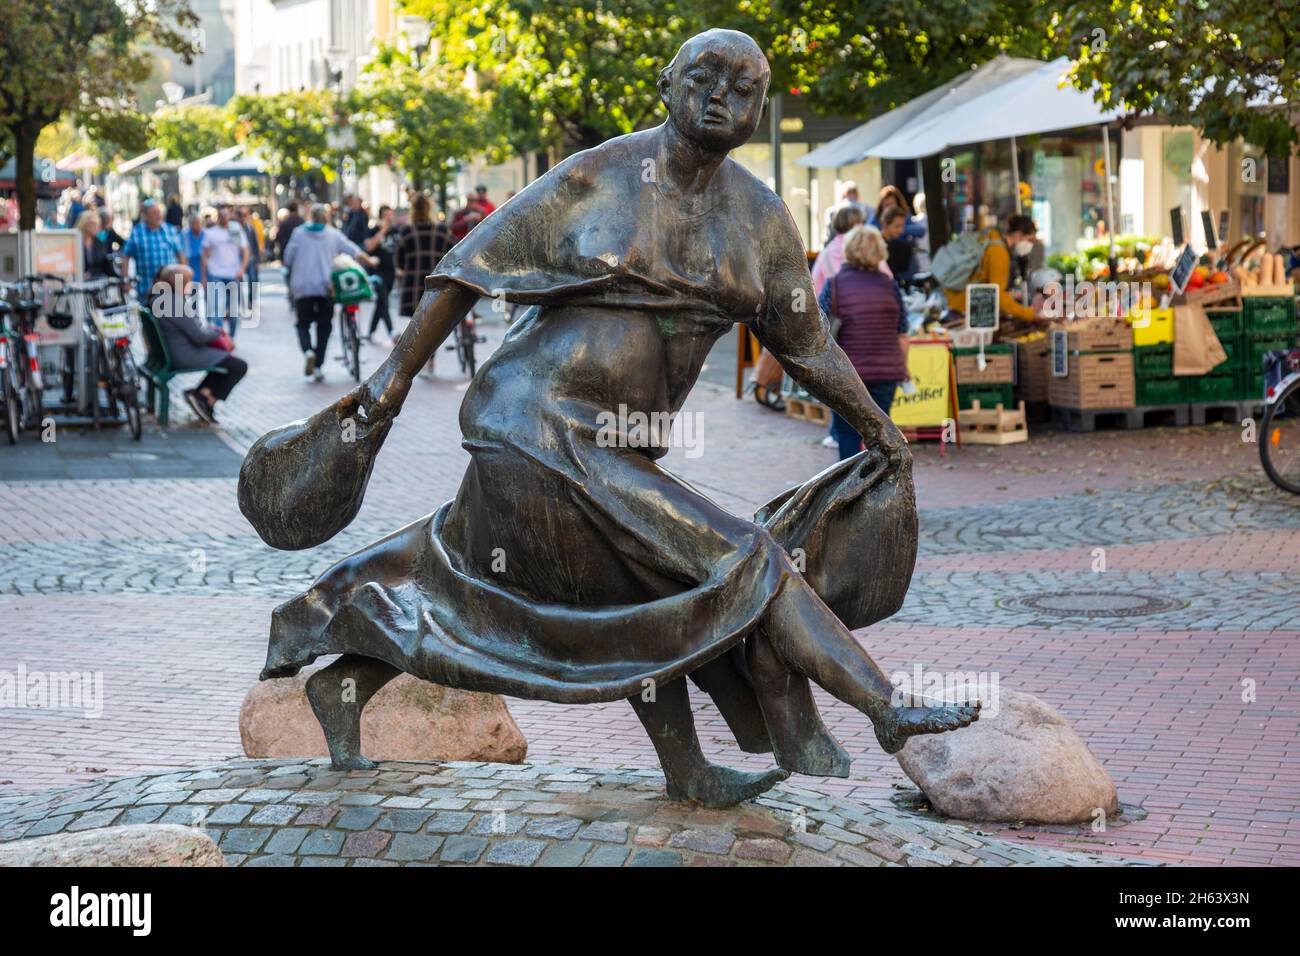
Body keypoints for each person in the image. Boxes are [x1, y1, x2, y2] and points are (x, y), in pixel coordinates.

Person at [243, 29, 977, 805]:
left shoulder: (761, 220)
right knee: (746, 558)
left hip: (618, 448)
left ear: (761, 107)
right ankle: (884, 707)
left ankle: (351, 685)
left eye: (745, 85)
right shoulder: (598, 175)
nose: (722, 94)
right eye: (705, 76)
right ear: (667, 85)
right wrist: (387, 389)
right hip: (534, 425)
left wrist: (879, 426)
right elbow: (466, 269)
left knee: (588, 597)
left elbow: (807, 345)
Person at [818, 225, 909, 460]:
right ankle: (878, 489)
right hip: (885, 373)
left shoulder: (834, 285)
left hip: (848, 374)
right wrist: (904, 367)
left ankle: (849, 490)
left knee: (847, 434)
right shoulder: (891, 286)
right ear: (880, 252)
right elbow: (902, 333)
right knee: (880, 435)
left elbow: (818, 329)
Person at [282, 203, 376, 382]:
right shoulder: (333, 234)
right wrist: (370, 261)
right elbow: (354, 251)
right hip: (327, 287)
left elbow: (288, 259)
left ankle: (308, 351)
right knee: (324, 327)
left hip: (303, 287)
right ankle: (318, 366)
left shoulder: (299, 233)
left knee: (303, 324)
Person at [151, 264, 247, 424]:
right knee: (239, 366)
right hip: (184, 355)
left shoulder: (161, 298)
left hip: (174, 351)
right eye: (188, 281)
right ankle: (205, 399)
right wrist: (219, 332)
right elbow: (200, 337)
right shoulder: (172, 303)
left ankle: (202, 395)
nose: (191, 284)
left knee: (226, 362)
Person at [943, 213, 1040, 323]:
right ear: (1018, 234)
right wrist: (1028, 314)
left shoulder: (990, 238)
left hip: (952, 300)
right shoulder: (999, 253)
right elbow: (997, 293)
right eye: (1029, 240)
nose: (1030, 245)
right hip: (963, 308)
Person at [395, 192, 450, 320]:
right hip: (436, 286)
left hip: (413, 286)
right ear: (430, 208)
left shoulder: (406, 232)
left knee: (416, 332)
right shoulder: (442, 231)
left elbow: (399, 261)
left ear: (412, 210)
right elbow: (453, 256)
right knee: (435, 327)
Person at [201, 205, 250, 338]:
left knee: (233, 309)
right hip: (216, 274)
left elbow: (246, 251)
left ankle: (231, 337)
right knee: (217, 307)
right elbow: (204, 254)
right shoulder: (210, 233)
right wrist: (204, 275)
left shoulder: (236, 230)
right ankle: (221, 337)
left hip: (233, 274)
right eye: (222, 215)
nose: (225, 218)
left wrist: (242, 269)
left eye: (227, 215)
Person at [121, 200, 185, 301]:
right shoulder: (137, 232)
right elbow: (125, 256)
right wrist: (126, 281)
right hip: (146, 290)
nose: (158, 215)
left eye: (159, 212)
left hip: (171, 289)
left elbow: (180, 255)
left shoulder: (170, 230)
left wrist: (183, 280)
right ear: (145, 216)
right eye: (153, 213)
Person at [811, 205, 866, 298]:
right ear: (857, 226)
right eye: (862, 223)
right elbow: (888, 279)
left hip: (833, 309)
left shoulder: (825, 254)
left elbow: (814, 289)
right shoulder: (867, 250)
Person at [363, 204, 397, 343]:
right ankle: (392, 332)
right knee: (383, 300)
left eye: (390, 214)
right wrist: (382, 230)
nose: (389, 218)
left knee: (380, 303)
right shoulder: (373, 231)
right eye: (386, 215)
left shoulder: (395, 231)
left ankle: (370, 332)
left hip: (391, 271)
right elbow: (369, 247)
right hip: (377, 272)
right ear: (381, 217)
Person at [879, 205, 916, 278]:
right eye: (897, 226)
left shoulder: (901, 245)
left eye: (902, 226)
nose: (901, 230)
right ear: (885, 224)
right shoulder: (876, 246)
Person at [236, 206, 261, 312]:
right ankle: (238, 302)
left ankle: (251, 301)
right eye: (242, 215)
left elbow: (255, 245)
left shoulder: (250, 228)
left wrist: (258, 261)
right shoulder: (235, 229)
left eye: (245, 215)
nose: (244, 217)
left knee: (253, 279)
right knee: (237, 283)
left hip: (250, 259)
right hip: (238, 260)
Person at [76, 209, 114, 279]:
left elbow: (105, 266)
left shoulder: (99, 243)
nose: (97, 227)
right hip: (78, 284)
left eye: (97, 224)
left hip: (97, 283)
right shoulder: (75, 244)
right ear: (84, 225)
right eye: (93, 224)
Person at [183, 214, 206, 284]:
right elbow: (184, 256)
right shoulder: (185, 235)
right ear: (190, 225)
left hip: (204, 272)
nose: (198, 225)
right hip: (190, 270)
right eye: (195, 223)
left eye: (199, 223)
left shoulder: (205, 234)